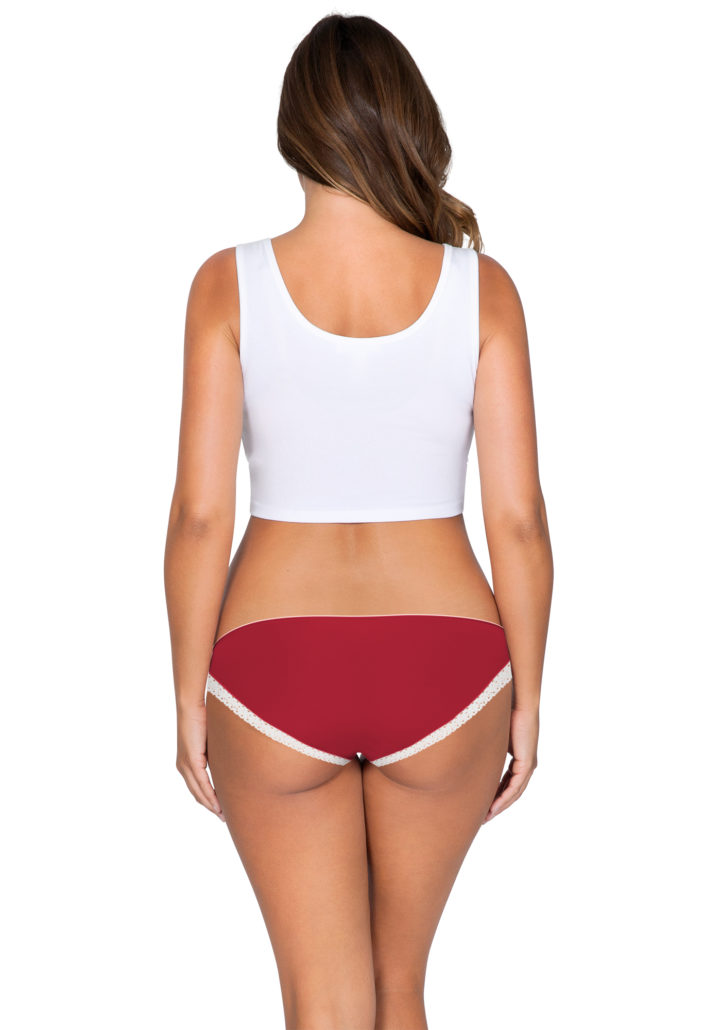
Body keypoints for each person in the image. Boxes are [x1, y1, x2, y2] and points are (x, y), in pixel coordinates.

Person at [164, 13, 553, 1030]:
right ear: (408, 123)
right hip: (447, 671)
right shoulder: (483, 290)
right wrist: (527, 700)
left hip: (273, 668)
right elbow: (517, 521)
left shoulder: (226, 284)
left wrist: (186, 696)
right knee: (399, 991)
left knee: (324, 1005)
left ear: (293, 132)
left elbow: (200, 518)